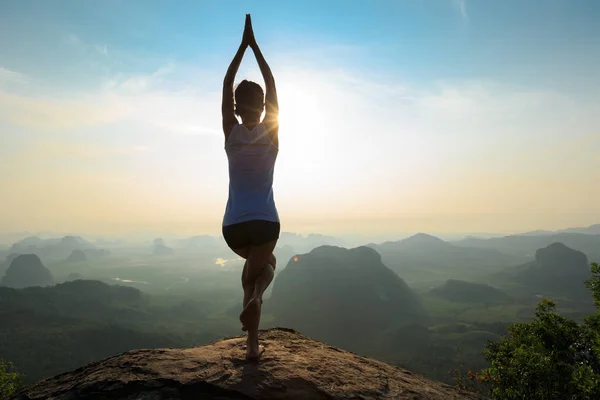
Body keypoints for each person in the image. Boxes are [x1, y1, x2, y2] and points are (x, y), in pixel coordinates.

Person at [221, 14, 280, 361]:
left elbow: (227, 83)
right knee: (265, 265)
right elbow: (271, 84)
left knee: (251, 271)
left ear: (235, 107)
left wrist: (240, 48)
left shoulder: (230, 132)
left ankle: (252, 346)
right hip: (266, 222)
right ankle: (257, 302)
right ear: (262, 107)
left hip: (232, 227)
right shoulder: (272, 132)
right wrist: (255, 47)